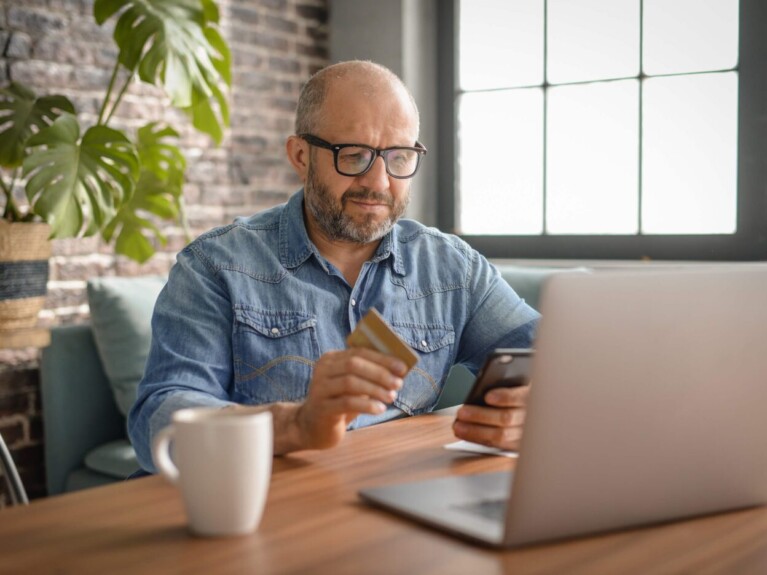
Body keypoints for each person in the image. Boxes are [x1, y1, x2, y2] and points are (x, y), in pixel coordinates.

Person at [128, 60, 539, 472]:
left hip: (396, 501)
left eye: (398, 157)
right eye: (354, 154)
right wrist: (296, 425)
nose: (378, 182)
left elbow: (553, 358)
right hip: (270, 510)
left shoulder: (452, 268)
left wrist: (534, 409)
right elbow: (161, 419)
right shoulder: (215, 266)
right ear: (301, 156)